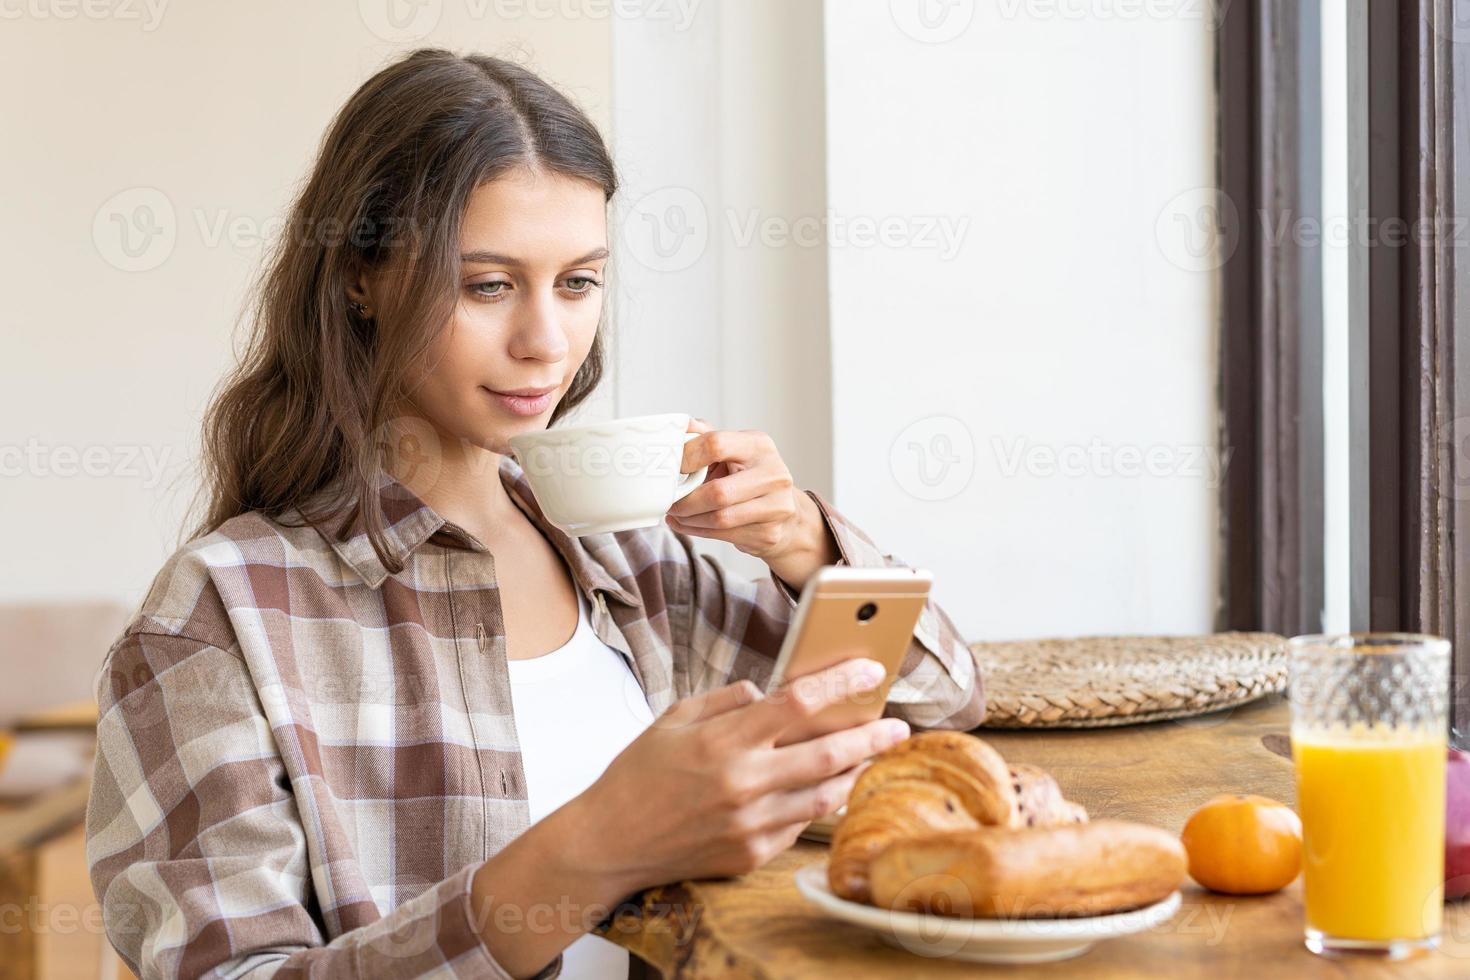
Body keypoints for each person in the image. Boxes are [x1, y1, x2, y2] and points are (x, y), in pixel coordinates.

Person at [84, 48, 985, 980]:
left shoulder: (629, 563)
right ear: (361, 276)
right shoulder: (222, 617)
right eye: (488, 285)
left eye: (577, 282)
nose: (545, 343)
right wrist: (594, 845)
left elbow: (937, 711)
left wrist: (807, 545)